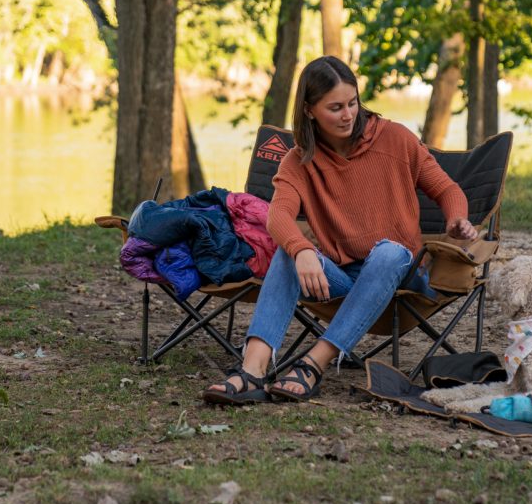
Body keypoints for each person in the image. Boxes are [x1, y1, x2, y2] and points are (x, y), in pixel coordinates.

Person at [202, 56, 478, 404]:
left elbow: (447, 189)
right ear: (309, 110)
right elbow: (278, 216)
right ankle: (252, 370)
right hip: (343, 279)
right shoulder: (299, 161)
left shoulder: (396, 139)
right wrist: (301, 250)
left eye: (352, 103)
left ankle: (313, 364)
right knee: (290, 253)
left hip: (402, 276)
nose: (348, 115)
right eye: (335, 107)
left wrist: (456, 218)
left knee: (390, 251)